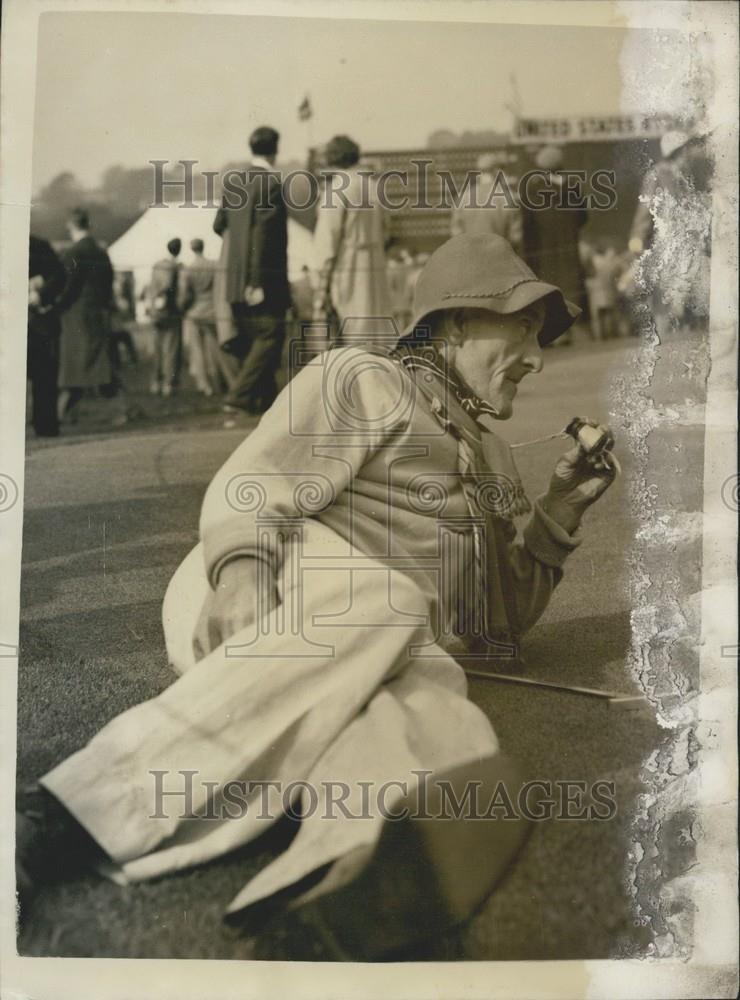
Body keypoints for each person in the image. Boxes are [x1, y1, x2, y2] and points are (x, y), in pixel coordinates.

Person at [17, 234, 618, 961]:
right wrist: (241, 573)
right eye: (523, 327)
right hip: (269, 582)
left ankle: (338, 891)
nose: (538, 356)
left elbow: (499, 624)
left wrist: (560, 509)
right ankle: (61, 815)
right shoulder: (364, 379)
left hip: (380, 641)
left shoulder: (491, 456)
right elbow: (259, 480)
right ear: (455, 323)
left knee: (443, 719)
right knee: (388, 603)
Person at [214, 125, 290, 416]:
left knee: (253, 341)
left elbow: (218, 225)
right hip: (262, 281)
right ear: (275, 150)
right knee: (271, 336)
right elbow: (266, 238)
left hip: (233, 281)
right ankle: (239, 396)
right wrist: (257, 281)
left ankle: (266, 404)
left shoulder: (233, 182)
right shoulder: (271, 184)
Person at [313, 134, 392, 347]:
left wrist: (320, 282)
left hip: (349, 266)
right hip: (375, 265)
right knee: (378, 332)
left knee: (352, 334)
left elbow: (327, 242)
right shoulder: (373, 187)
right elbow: (387, 230)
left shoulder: (337, 189)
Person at [55, 209, 121, 422]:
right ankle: (117, 411)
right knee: (97, 362)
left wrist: (56, 306)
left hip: (76, 314)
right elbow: (109, 281)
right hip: (97, 312)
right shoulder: (101, 251)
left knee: (73, 368)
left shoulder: (74, 252)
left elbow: (69, 287)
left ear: (70, 226)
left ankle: (62, 415)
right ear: (88, 224)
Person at [520, 146, 588, 346]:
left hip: (544, 252)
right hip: (568, 249)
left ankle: (551, 334)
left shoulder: (532, 190)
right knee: (570, 288)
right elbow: (583, 218)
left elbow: (527, 223)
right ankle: (570, 331)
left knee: (548, 290)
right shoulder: (573, 187)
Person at [178, 238, 228, 396]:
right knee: (215, 349)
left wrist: (184, 307)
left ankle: (204, 385)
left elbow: (185, 295)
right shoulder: (214, 265)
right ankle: (219, 380)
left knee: (197, 350)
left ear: (192, 249)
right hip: (212, 311)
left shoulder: (189, 270)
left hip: (195, 312)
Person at [27, 235, 66, 437]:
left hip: (37, 320)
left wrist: (40, 294)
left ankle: (45, 425)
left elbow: (59, 275)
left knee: (43, 373)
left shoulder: (37, 245)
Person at [450, 154, 522, 251]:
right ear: (497, 171)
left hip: (471, 258)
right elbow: (516, 237)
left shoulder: (463, 197)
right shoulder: (509, 198)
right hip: (499, 257)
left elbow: (456, 234)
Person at [147, 238, 183, 397]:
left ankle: (156, 382)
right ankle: (169, 383)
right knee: (171, 349)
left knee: (157, 348)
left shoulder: (157, 265)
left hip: (156, 312)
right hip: (171, 312)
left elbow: (151, 287)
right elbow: (178, 290)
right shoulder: (177, 267)